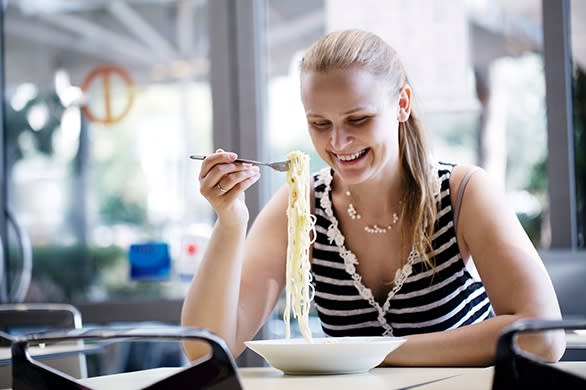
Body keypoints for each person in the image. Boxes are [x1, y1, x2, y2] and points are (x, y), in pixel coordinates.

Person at [181, 29, 566, 366]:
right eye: (320, 124)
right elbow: (206, 349)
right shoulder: (302, 204)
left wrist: (374, 354)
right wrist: (230, 222)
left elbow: (542, 337)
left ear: (401, 105)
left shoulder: (464, 193)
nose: (337, 142)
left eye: (357, 119)